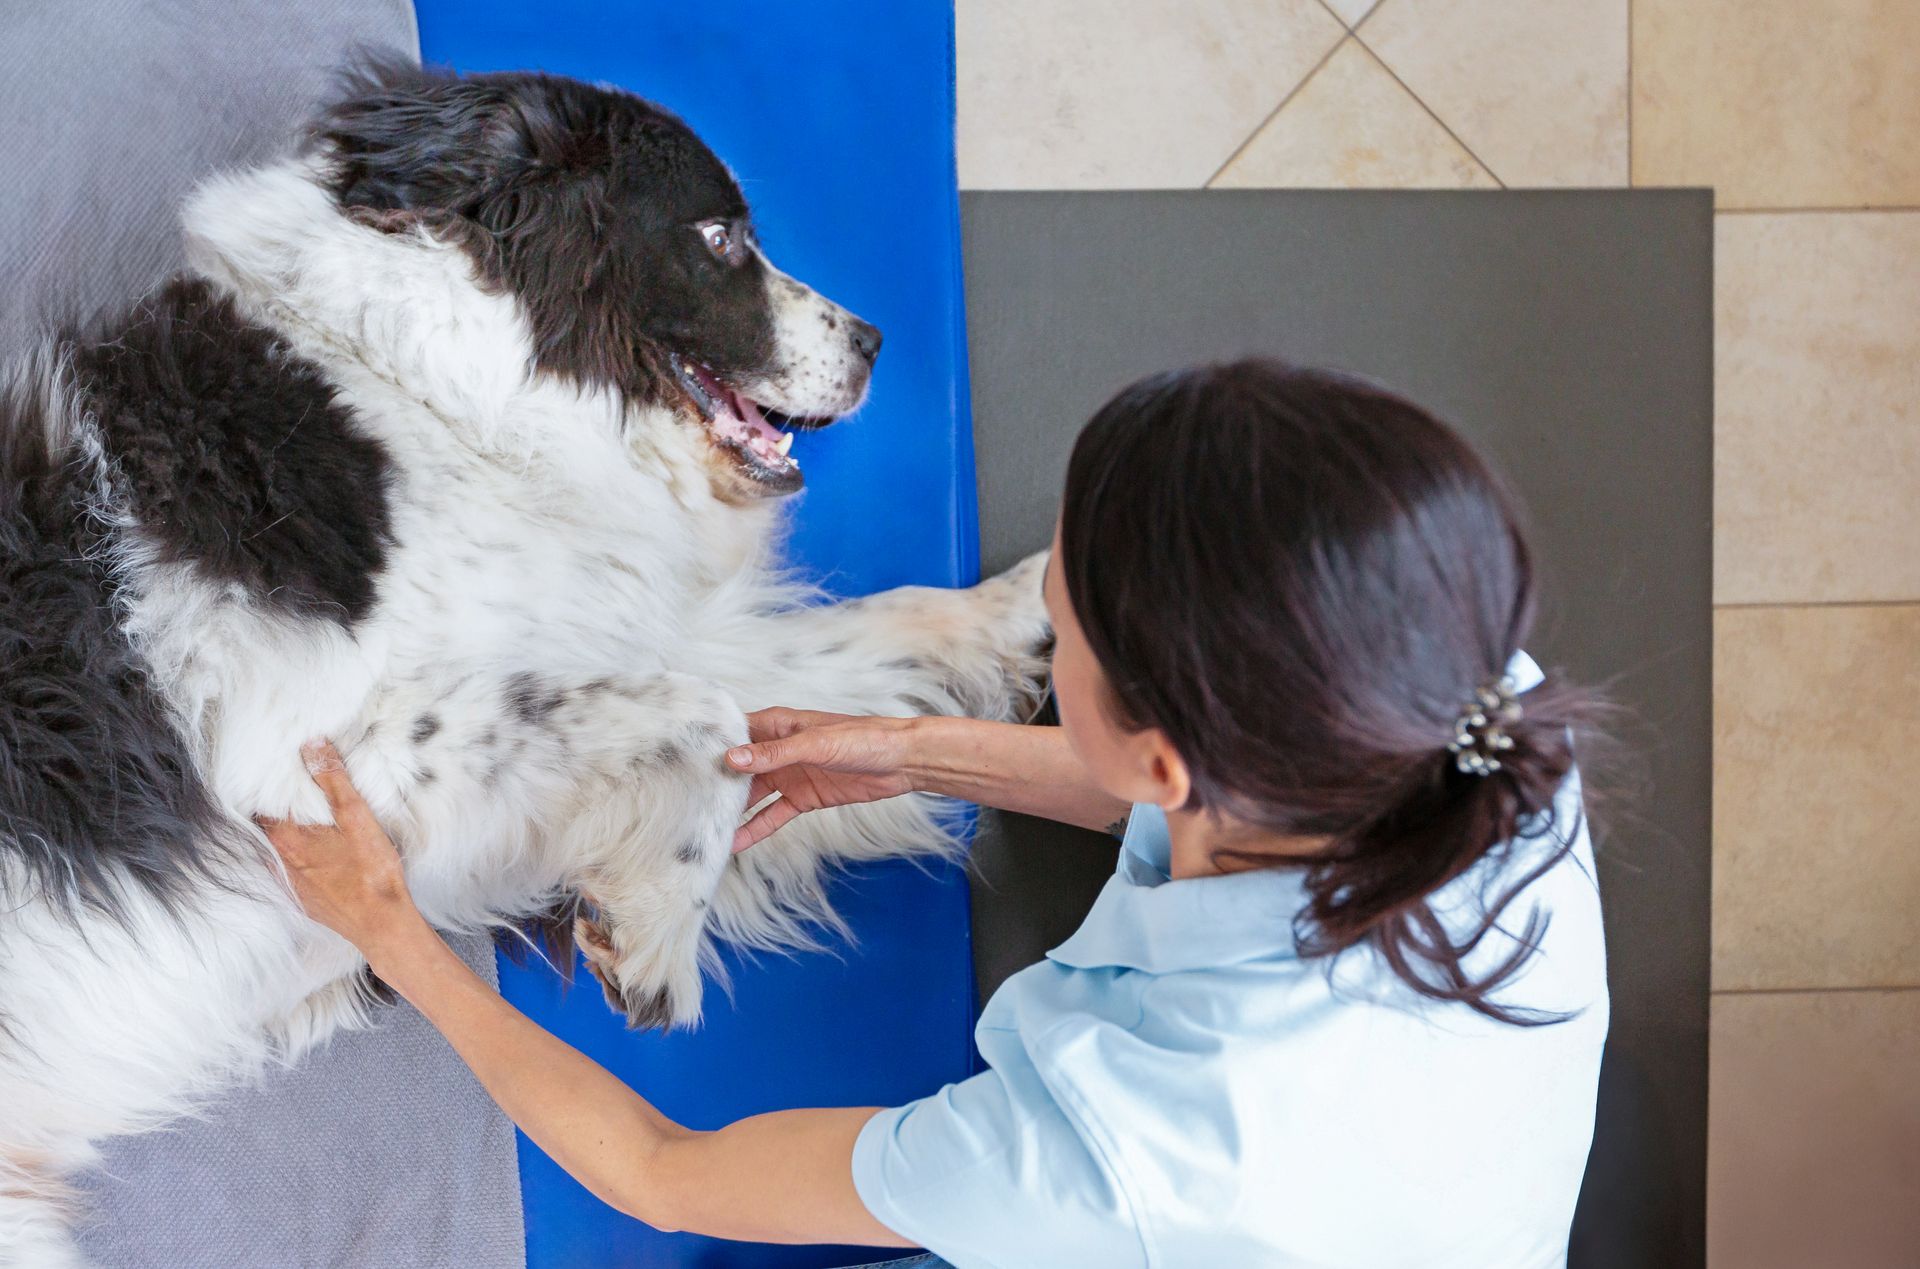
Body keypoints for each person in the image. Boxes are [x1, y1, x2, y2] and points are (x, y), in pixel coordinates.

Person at [265, 358, 1609, 1267]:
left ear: (1161, 759)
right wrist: (912, 750)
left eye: (1060, 636)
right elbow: (1190, 793)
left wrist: (392, 928)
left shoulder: (1115, 1153)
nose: (1042, 632)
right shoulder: (1448, 690)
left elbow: (665, 1168)